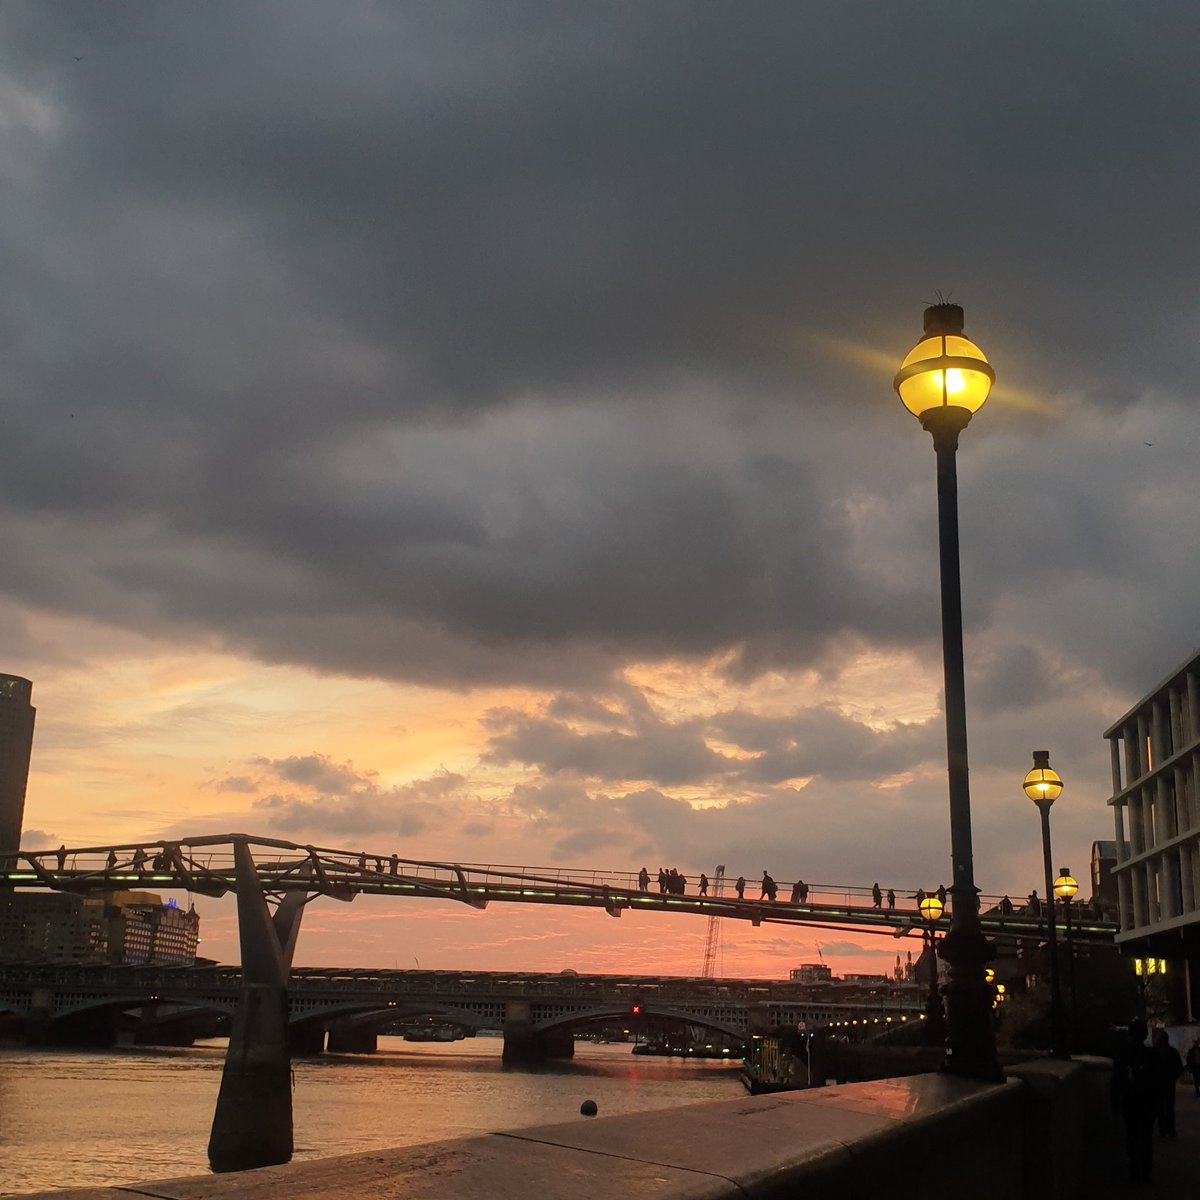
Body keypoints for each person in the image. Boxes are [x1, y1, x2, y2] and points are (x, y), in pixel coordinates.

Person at [1112, 1019, 1160, 1183]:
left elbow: (1117, 1079)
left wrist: (1116, 1100)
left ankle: (1135, 1168)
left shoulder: (1123, 1055)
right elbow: (1156, 1081)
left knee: (1133, 1136)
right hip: (1147, 1102)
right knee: (1146, 1137)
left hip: (1131, 1101)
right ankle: (1145, 1171)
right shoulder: (1150, 1055)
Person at [1152, 1028, 1183, 1136]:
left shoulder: (1154, 1052)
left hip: (1162, 1083)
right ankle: (1168, 1129)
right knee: (1166, 1108)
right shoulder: (1171, 1052)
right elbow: (1179, 1067)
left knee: (1163, 1107)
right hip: (1165, 1083)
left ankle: (1165, 1129)